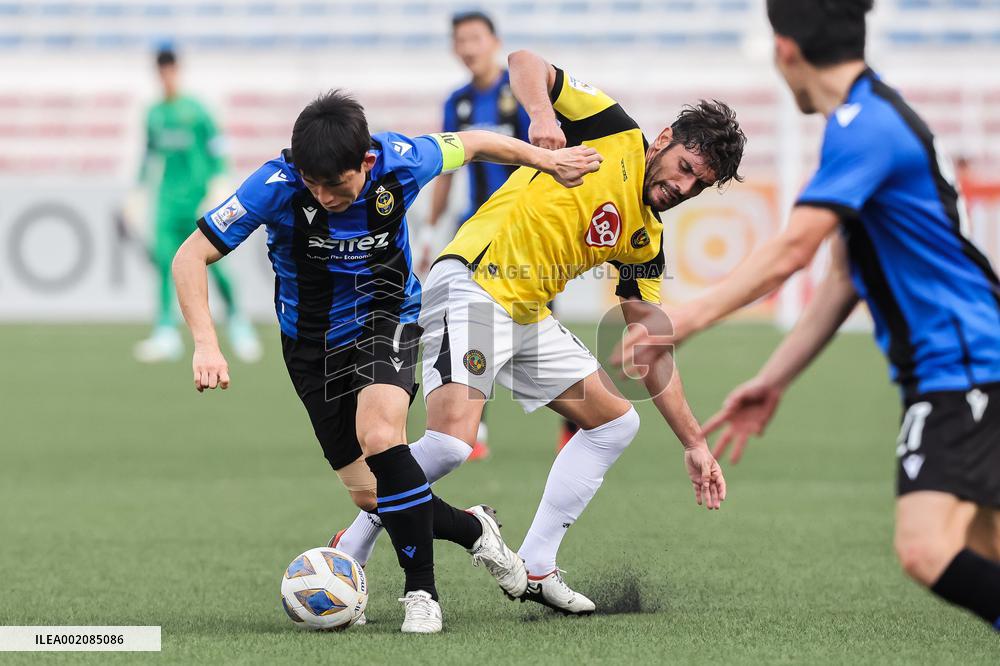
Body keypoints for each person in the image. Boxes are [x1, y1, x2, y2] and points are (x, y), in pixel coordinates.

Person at [614, 0, 1000, 632]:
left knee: (927, 547)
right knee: (985, 549)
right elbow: (847, 273)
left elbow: (795, 249)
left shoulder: (864, 126)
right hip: (964, 362)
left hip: (967, 364)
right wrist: (776, 378)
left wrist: (682, 320)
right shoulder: (870, 119)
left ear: (785, 50)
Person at [170, 90, 601, 633]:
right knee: (373, 494)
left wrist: (548, 159)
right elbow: (191, 255)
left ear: (366, 163)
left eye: (337, 184)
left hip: (388, 317)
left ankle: (421, 593)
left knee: (381, 437)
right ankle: (474, 530)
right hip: (309, 345)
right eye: (313, 183)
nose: (324, 195)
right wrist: (206, 343)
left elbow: (474, 144)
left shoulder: (400, 158)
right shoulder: (275, 184)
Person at [331, 50, 742, 615]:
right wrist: (543, 116)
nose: (685, 187)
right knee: (452, 444)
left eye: (701, 185)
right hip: (474, 286)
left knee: (616, 424)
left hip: (526, 318)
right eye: (687, 168)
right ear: (663, 138)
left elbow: (652, 351)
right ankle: (351, 543)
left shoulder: (646, 241)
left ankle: (538, 563)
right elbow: (525, 61)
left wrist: (695, 444)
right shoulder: (614, 131)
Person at [418, 10, 578, 457]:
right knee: (471, 323)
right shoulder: (458, 102)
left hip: (529, 232)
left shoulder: (524, 94)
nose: (467, 47)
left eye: (475, 38)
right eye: (460, 40)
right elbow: (447, 171)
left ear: (492, 41)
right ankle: (475, 432)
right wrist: (430, 231)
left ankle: (573, 424)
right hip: (476, 231)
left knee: (543, 322)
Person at [133, 48, 261, 364]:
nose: (166, 77)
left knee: (213, 266)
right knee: (165, 265)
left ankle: (237, 321)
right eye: (161, 71)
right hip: (166, 202)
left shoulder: (197, 111)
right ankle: (165, 331)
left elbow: (218, 149)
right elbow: (148, 156)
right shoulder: (153, 114)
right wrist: (137, 191)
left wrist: (219, 183)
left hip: (198, 201)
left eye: (170, 70)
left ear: (178, 70)